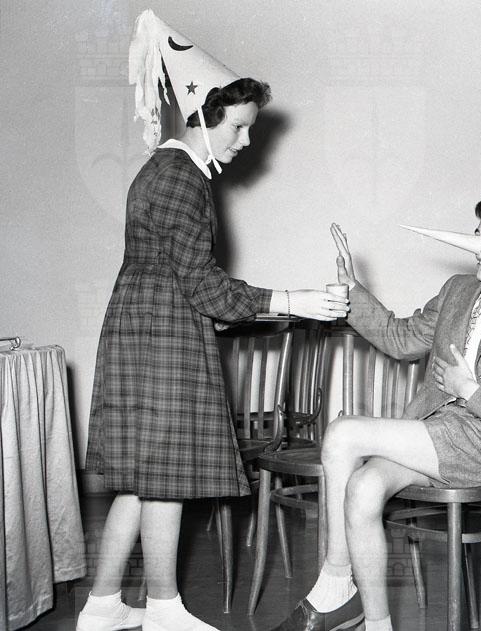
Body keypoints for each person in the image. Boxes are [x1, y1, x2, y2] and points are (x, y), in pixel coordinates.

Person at [76, 12, 349, 631]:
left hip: (147, 329)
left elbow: (194, 284)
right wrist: (295, 299)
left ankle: (102, 605)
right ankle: (164, 611)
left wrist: (257, 306)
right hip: (161, 338)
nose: (246, 141)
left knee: (141, 479)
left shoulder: (167, 172)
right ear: (204, 116)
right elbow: (204, 288)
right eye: (239, 126)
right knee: (165, 478)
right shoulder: (180, 179)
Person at [271, 192, 481, 631]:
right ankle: (376, 624)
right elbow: (400, 339)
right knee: (364, 487)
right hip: (434, 436)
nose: (476, 245)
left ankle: (335, 580)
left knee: (342, 433)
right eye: (477, 233)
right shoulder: (457, 290)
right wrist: (353, 290)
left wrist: (472, 391)